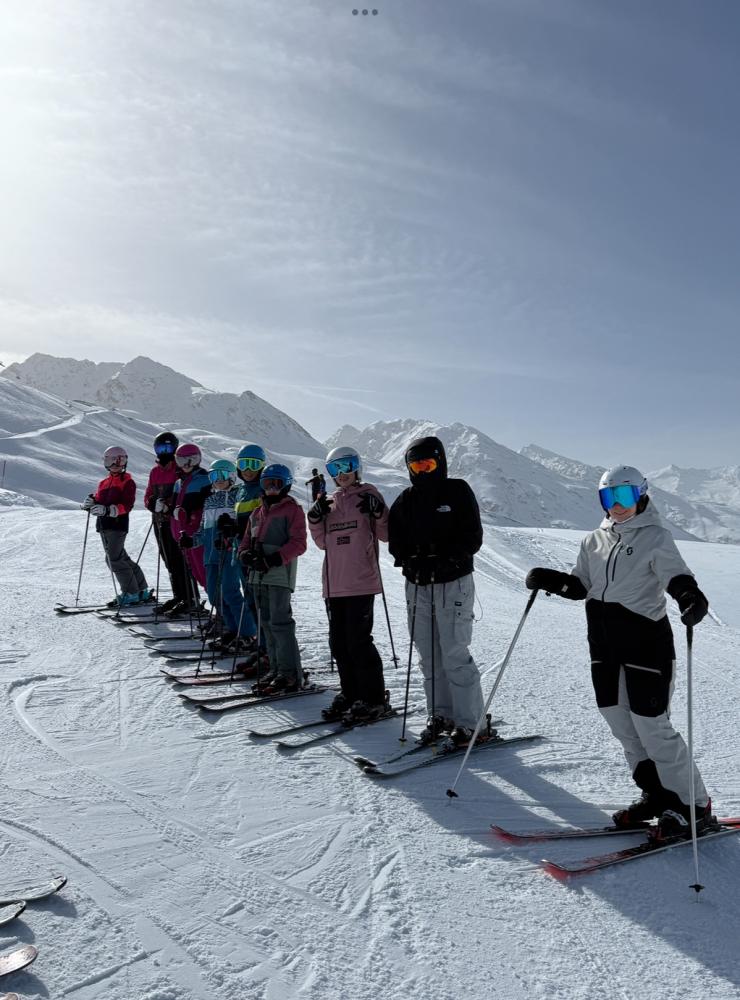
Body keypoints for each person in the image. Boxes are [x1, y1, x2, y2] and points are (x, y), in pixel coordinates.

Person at [524, 464, 713, 841]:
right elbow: (581, 585)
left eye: (624, 495)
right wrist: (552, 580)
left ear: (641, 495)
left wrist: (689, 596)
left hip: (646, 645)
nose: (617, 504)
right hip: (604, 647)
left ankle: (693, 806)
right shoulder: (593, 541)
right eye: (608, 497)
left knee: (653, 727)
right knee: (622, 725)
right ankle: (657, 795)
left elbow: (676, 575)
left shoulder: (655, 536)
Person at [387, 435, 485, 748]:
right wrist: (409, 561)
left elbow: (472, 536)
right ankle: (440, 714)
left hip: (452, 582)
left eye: (428, 465)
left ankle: (471, 723)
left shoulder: (457, 491)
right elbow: (395, 541)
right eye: (416, 466)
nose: (422, 472)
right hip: (418, 585)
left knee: (454, 652)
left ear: (440, 463)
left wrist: (447, 558)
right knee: (428, 654)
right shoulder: (405, 500)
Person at [308, 445, 391, 723]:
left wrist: (379, 511)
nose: (342, 473)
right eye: (335, 468)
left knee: (358, 642)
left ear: (357, 468)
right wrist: (315, 518)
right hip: (334, 584)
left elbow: (386, 534)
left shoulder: (369, 494)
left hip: (361, 582)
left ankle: (374, 699)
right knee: (338, 643)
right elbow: (322, 542)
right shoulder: (329, 502)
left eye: (347, 466)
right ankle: (351, 693)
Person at [238, 463, 306, 694]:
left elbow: (299, 543)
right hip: (257, 576)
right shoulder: (257, 513)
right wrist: (245, 554)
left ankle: (290, 674)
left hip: (279, 575)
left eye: (277, 484)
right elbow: (245, 542)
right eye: (267, 484)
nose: (271, 488)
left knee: (280, 623)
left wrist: (274, 559)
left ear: (286, 485)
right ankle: (276, 669)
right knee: (266, 623)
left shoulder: (292, 510)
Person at [198, 459, 257, 654]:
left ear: (232, 476)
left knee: (231, 592)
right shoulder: (209, 500)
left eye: (222, 475)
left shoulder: (236, 497)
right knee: (214, 595)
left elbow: (242, 525)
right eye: (214, 476)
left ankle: (248, 633)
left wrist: (231, 533)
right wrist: (192, 540)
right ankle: (232, 629)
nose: (218, 480)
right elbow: (202, 528)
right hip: (210, 555)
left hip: (229, 552)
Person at [81, 446, 152, 607]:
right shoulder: (104, 483)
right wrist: (91, 503)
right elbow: (99, 500)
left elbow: (127, 505)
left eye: (119, 461)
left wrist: (107, 510)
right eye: (110, 461)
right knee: (121, 558)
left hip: (117, 526)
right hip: (104, 525)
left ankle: (131, 593)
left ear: (124, 462)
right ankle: (141, 590)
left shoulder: (128, 482)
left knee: (114, 559)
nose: (115, 465)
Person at [143, 431, 196, 616]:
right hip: (159, 522)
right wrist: (152, 504)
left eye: (168, 447)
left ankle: (191, 598)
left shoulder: (179, 469)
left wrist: (168, 505)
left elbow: (183, 494)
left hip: (175, 522)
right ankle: (179, 596)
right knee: (169, 561)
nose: (164, 452)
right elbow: (148, 494)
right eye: (161, 448)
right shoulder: (155, 472)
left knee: (181, 559)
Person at [170, 443, 211, 592]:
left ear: (198, 460)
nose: (186, 465)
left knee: (204, 571)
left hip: (197, 534)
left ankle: (219, 602)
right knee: (196, 572)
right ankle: (214, 600)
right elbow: (174, 507)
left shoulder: (205, 480)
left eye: (191, 460)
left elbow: (208, 506)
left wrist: (191, 514)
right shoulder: (178, 483)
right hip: (183, 536)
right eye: (181, 461)